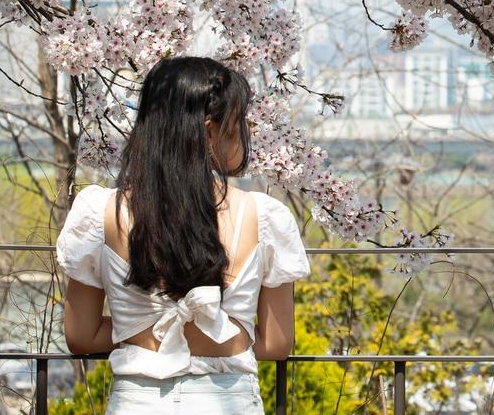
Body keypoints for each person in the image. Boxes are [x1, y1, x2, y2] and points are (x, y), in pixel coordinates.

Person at [56, 56, 310, 413]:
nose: (246, 131)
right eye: (239, 122)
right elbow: (276, 343)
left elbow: (80, 336)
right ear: (209, 131)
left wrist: (141, 329)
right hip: (226, 400)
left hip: (137, 400)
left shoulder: (100, 213)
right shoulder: (264, 217)